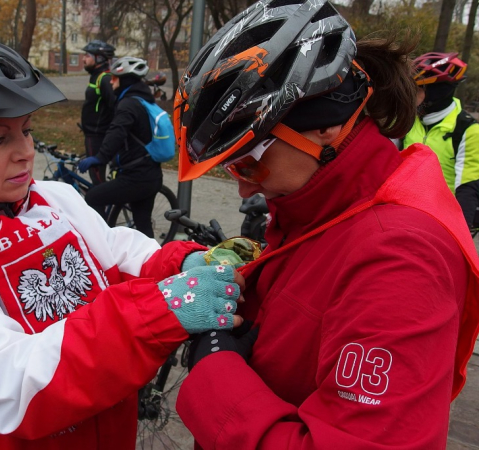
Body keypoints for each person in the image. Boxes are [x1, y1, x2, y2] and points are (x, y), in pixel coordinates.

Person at [0, 37, 246, 449]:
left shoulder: (54, 197)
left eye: (27, 130)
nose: (25, 152)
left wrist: (176, 264)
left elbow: (116, 251)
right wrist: (163, 311)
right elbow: (15, 385)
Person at [171, 1, 479, 448]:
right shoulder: (317, 210)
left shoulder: (402, 260)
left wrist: (215, 370)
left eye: (249, 165)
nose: (241, 191)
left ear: (324, 130)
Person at [78, 56, 162, 238]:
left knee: (93, 197)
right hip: (150, 174)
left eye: (115, 77)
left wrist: (100, 157)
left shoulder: (128, 104)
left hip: (136, 177)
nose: (111, 80)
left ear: (126, 80)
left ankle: (101, 241)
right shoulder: (143, 100)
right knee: (143, 227)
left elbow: (117, 131)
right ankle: (154, 261)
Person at [403, 52, 479, 231]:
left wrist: (461, 236)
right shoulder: (408, 121)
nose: (412, 95)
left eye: (418, 89)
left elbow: (467, 188)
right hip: (405, 216)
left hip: (442, 223)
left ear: (437, 93)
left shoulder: (467, 129)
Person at [80, 40, 116, 185]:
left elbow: (115, 107)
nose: (83, 59)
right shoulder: (97, 76)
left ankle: (101, 206)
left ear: (99, 58)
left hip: (97, 137)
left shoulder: (104, 79)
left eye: (87, 55)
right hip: (94, 134)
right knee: (98, 178)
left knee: (98, 181)